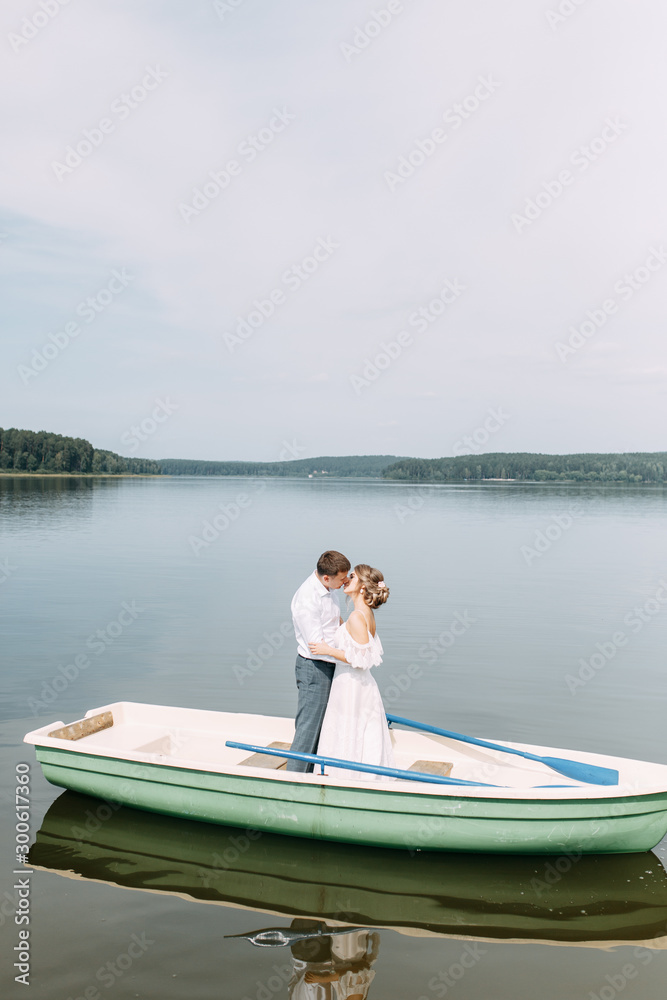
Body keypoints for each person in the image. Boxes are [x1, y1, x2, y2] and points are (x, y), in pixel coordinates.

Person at [309, 564, 395, 781]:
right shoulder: (362, 615)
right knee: (356, 730)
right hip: (358, 684)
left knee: (347, 730)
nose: (347, 579)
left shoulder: (357, 616)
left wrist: (328, 650)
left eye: (352, 576)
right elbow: (359, 644)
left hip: (351, 685)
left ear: (363, 588)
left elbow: (361, 660)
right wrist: (340, 626)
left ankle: (343, 778)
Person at [287, 550, 351, 772]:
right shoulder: (308, 599)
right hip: (314, 667)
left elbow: (334, 622)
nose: (345, 582)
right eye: (342, 579)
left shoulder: (328, 588)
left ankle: (312, 773)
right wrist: (350, 655)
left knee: (323, 725)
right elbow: (316, 645)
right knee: (309, 726)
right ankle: (293, 779)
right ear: (327, 577)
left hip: (329, 662)